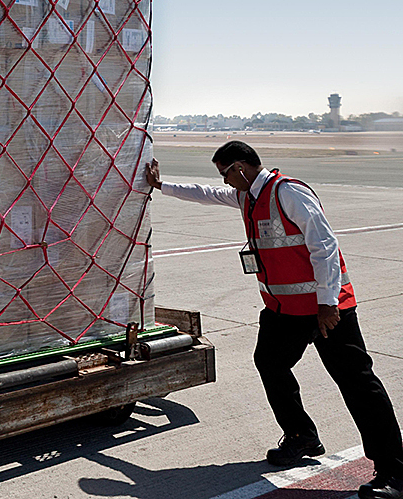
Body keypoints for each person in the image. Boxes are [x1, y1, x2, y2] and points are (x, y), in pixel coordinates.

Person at [146, 140, 403, 499]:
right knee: (269, 363)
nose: (224, 182)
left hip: (326, 309)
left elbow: (324, 245)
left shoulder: (288, 193)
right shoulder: (246, 196)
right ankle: (301, 435)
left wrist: (328, 304)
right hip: (284, 311)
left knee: (357, 384)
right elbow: (205, 194)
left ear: (241, 167)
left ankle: (394, 471)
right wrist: (161, 185)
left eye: (226, 174)